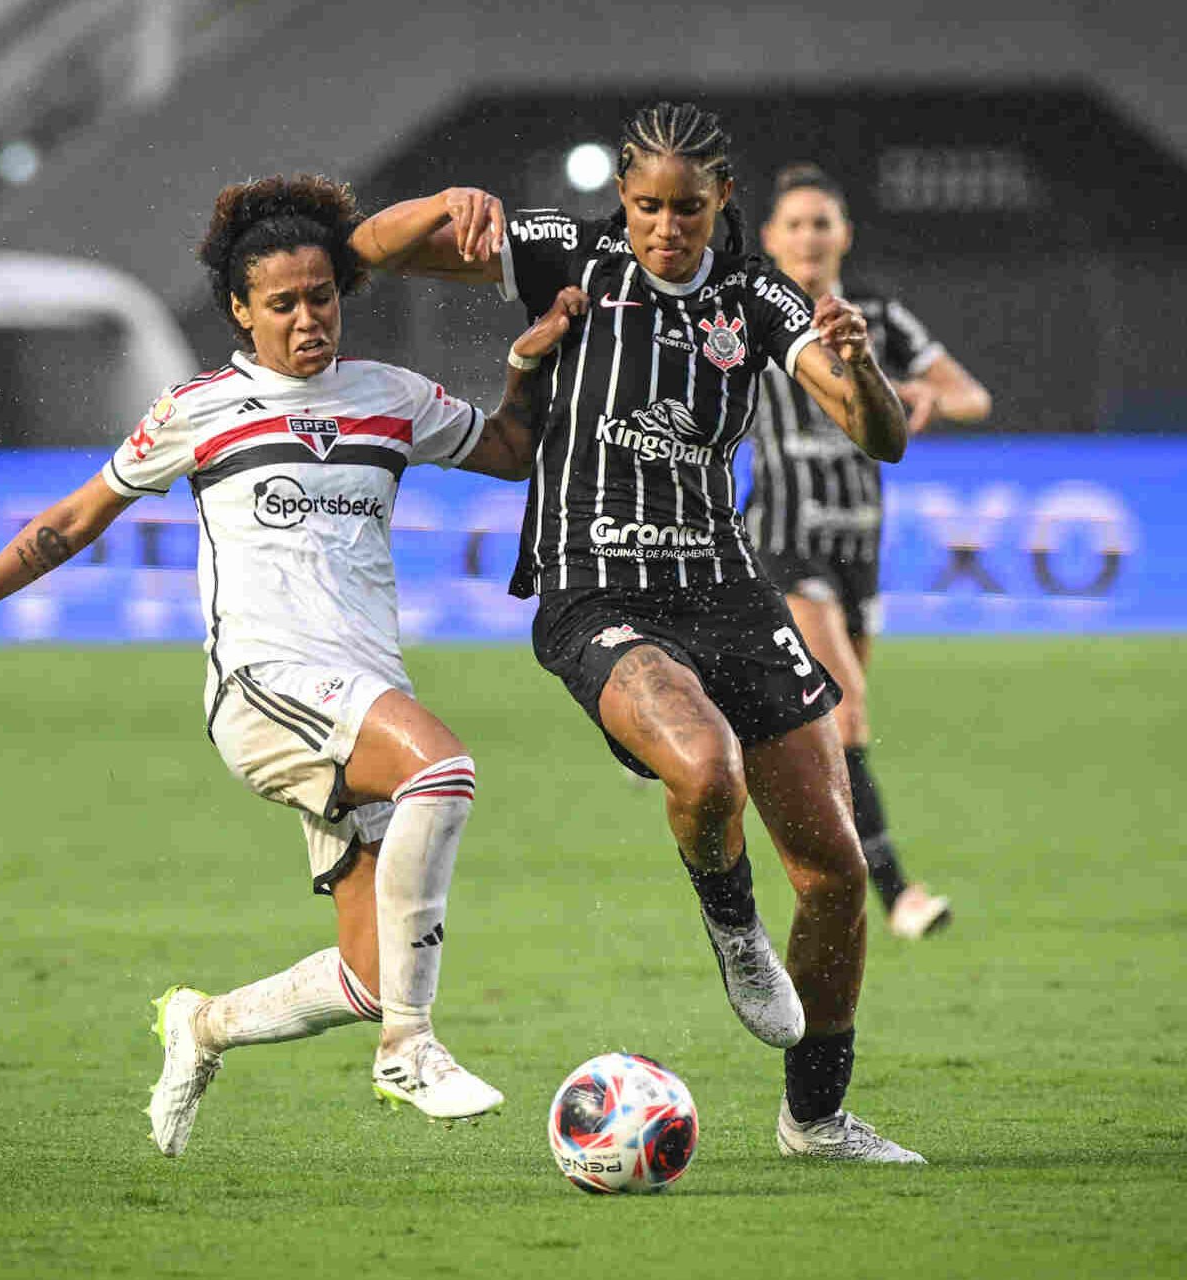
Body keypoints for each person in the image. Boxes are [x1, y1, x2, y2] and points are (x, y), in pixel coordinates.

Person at [0, 174, 578, 1153]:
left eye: (320, 295)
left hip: (361, 689)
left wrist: (525, 365)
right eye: (281, 303)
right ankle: (410, 1049)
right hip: (265, 687)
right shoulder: (199, 410)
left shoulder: (389, 398)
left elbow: (508, 449)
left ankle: (203, 1023)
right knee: (442, 769)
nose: (306, 317)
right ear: (240, 311)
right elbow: (70, 522)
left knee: (369, 972)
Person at [354, 102, 926, 1162]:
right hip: (596, 590)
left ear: (722, 205)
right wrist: (442, 205)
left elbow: (877, 436)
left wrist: (863, 366)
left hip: (726, 587)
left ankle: (813, 1118)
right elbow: (366, 252)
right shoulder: (569, 257)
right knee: (704, 768)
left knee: (838, 871)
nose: (667, 227)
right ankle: (730, 925)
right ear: (621, 197)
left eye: (689, 209)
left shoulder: (756, 297)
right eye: (649, 206)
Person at [746, 164, 993, 941]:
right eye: (795, 224)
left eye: (822, 222)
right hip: (783, 539)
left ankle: (815, 868)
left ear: (844, 234)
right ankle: (898, 895)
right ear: (769, 239)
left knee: (823, 735)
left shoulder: (880, 317)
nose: (809, 236)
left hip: (860, 543)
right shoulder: (749, 311)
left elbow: (971, 394)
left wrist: (927, 397)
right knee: (846, 710)